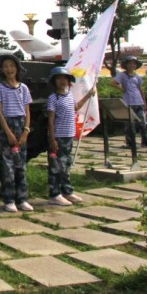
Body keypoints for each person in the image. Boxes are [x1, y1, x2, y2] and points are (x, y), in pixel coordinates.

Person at [47, 67, 95, 206]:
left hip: (69, 136)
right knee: (56, 167)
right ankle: (54, 194)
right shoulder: (53, 98)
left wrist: (88, 95)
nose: (62, 81)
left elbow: (76, 107)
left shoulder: (69, 95)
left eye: (65, 78)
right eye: (59, 78)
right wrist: (52, 138)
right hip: (58, 137)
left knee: (66, 165)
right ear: (54, 81)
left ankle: (67, 191)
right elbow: (51, 119)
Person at [0, 55, 33, 213]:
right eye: (5, 66)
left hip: (21, 126)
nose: (9, 69)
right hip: (6, 127)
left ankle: (22, 199)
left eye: (12, 66)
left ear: (17, 68)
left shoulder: (23, 88)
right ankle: (9, 200)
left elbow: (27, 111)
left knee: (20, 166)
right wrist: (8, 133)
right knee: (7, 167)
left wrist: (26, 131)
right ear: (2, 70)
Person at [112, 56, 147, 148]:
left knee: (143, 123)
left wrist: (144, 102)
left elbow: (140, 89)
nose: (132, 65)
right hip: (128, 102)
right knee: (129, 124)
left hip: (139, 102)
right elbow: (113, 83)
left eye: (134, 63)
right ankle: (130, 142)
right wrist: (122, 88)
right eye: (130, 63)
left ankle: (145, 142)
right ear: (126, 65)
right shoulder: (122, 75)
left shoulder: (137, 76)